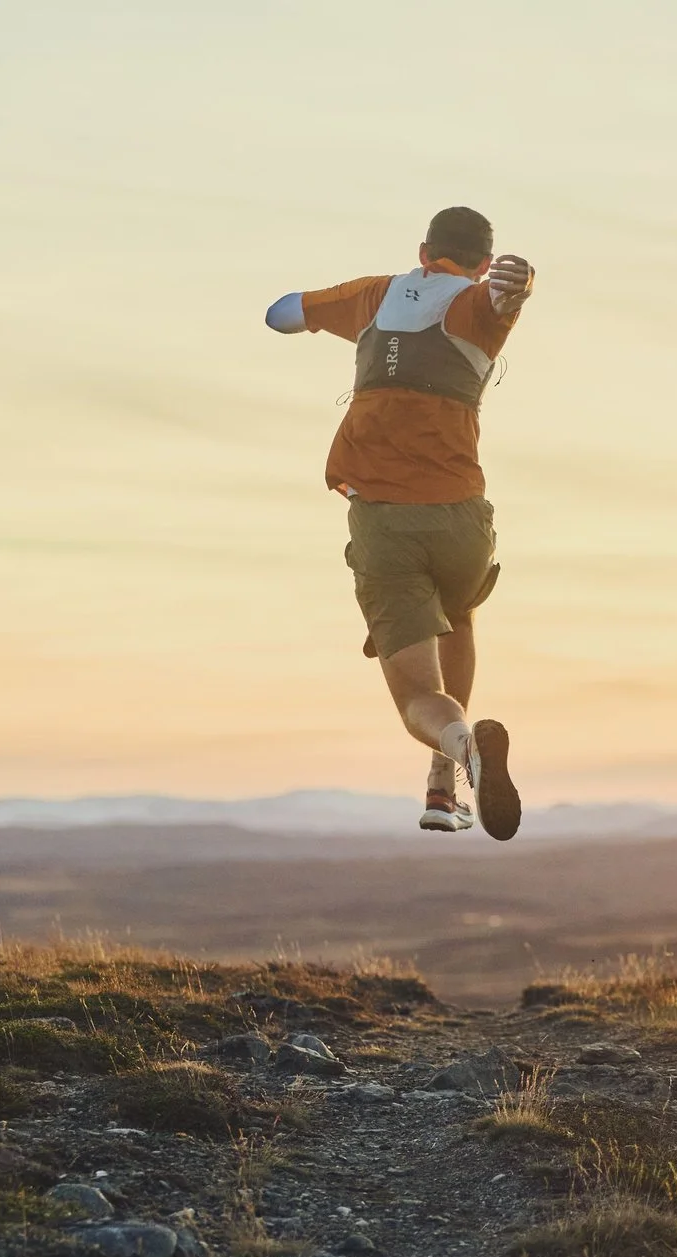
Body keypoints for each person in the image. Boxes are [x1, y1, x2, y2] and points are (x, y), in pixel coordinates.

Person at [264, 206, 533, 840]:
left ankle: (462, 752)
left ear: (423, 250)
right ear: (483, 263)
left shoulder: (373, 295)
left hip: (386, 523)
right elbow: (503, 299)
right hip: (463, 519)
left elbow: (280, 313)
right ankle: (443, 793)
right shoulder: (481, 306)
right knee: (457, 615)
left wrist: (336, 320)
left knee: (418, 699)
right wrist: (513, 287)